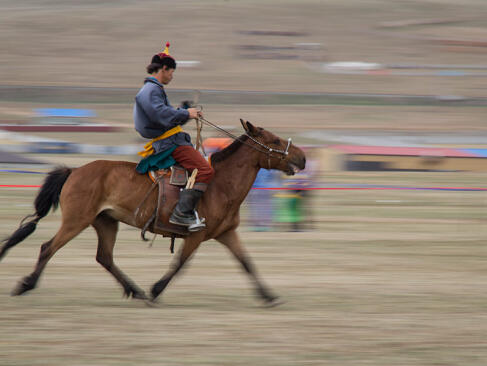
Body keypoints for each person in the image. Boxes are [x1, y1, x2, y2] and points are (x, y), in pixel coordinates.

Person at [133, 42, 214, 230]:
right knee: (205, 171)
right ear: (163, 68)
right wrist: (186, 114)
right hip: (170, 143)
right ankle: (182, 214)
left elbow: (165, 117)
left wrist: (184, 111)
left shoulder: (154, 90)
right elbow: (160, 115)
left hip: (171, 139)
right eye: (171, 72)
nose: (171, 76)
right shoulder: (151, 90)